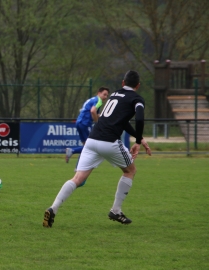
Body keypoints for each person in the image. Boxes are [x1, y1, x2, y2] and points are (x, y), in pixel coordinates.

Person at [43, 70, 152, 228]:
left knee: (78, 179)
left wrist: (139, 138)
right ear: (138, 86)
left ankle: (53, 208)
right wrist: (138, 140)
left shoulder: (114, 95)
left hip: (92, 140)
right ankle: (116, 210)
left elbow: (122, 121)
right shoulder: (137, 98)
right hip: (109, 142)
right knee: (130, 171)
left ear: (123, 83)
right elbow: (140, 118)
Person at [65, 87, 110, 163]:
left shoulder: (92, 99)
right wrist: (97, 123)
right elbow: (93, 111)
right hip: (85, 124)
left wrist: (102, 116)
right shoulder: (98, 101)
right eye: (104, 94)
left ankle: (78, 167)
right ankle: (72, 151)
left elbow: (93, 112)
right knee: (90, 147)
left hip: (79, 123)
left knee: (86, 147)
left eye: (107, 95)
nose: (105, 97)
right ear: (99, 93)